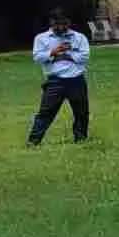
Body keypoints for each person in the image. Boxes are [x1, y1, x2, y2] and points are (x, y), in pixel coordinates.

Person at [28, 9, 91, 145]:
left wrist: (67, 55)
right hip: (55, 81)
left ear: (69, 22)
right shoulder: (41, 38)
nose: (61, 27)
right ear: (51, 22)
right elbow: (37, 57)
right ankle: (33, 141)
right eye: (57, 24)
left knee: (81, 112)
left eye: (64, 24)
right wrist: (53, 52)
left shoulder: (79, 37)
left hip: (76, 80)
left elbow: (84, 56)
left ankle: (81, 139)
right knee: (45, 113)